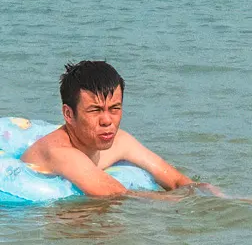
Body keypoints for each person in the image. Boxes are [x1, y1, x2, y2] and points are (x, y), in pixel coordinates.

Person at [21, 60, 196, 198]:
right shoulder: (60, 153)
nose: (107, 121)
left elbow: (176, 179)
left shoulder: (120, 141)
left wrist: (206, 193)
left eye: (114, 109)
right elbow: (118, 195)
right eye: (95, 110)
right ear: (68, 114)